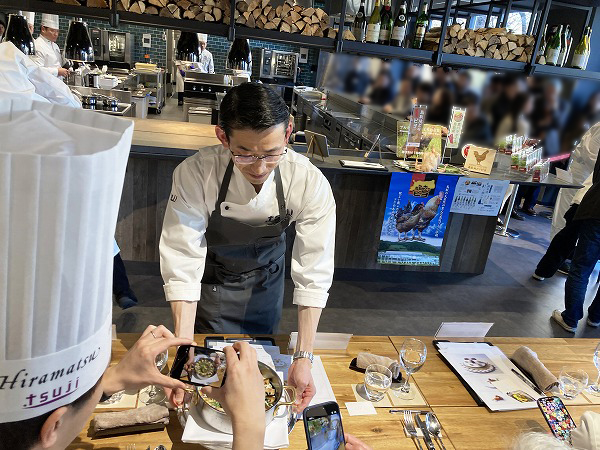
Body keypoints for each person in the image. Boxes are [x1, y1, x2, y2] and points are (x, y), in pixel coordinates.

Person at [159, 82, 336, 411]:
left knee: (261, 362)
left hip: (266, 286)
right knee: (211, 375)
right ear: (222, 137)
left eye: (271, 153)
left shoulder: (308, 182)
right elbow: (182, 260)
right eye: (244, 154)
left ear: (288, 133)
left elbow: (315, 270)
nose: (259, 167)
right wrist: (184, 348)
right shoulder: (196, 174)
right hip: (215, 286)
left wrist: (303, 356)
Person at [552, 152, 600, 332]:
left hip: (597, 211)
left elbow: (597, 174)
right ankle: (596, 316)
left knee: (581, 267)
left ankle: (570, 318)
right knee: (582, 267)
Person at [533, 172, 593, 280]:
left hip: (585, 201)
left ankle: (545, 270)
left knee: (568, 238)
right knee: (568, 237)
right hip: (586, 202)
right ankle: (544, 270)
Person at [551, 122, 600, 239]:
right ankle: (557, 242)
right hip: (581, 174)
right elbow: (590, 154)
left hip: (590, 175)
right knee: (566, 212)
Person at [31, 14, 69, 79]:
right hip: (45, 84)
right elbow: (36, 70)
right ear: (43, 29)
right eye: (53, 31)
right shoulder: (37, 45)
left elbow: (58, 64)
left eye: (57, 31)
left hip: (57, 83)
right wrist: (57, 71)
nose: (56, 34)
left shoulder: (55, 46)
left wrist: (66, 69)